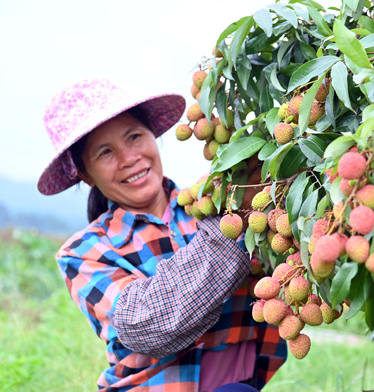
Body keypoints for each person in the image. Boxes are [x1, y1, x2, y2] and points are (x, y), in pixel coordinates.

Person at [37, 79, 287, 392]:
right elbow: (146, 323)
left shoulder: (214, 203)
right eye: (105, 152)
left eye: (134, 137)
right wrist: (232, 219)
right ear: (87, 175)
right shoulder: (83, 252)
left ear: (153, 138)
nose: (129, 158)